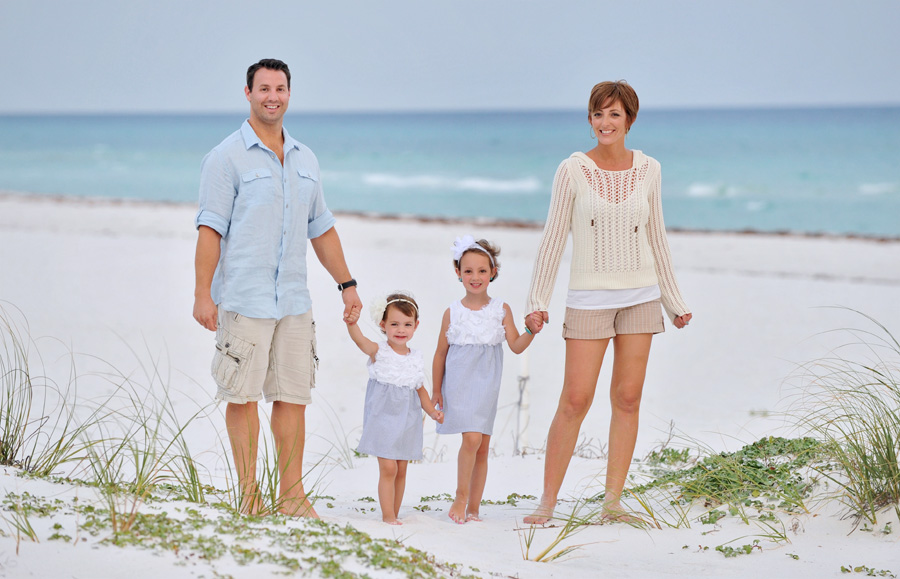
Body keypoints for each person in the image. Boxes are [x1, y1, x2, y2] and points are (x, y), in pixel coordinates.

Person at [192, 58, 361, 518]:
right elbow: (211, 229)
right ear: (247, 93)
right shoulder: (225, 157)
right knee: (242, 396)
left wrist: (346, 284)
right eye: (263, 88)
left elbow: (321, 228)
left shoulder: (306, 158)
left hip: (293, 300)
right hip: (245, 299)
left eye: (280, 88)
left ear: (289, 93)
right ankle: (249, 495)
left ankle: (291, 496)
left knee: (293, 397)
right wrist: (202, 293)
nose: (272, 96)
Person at [522, 81, 692, 525]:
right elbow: (554, 237)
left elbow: (657, 236)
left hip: (641, 296)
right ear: (590, 119)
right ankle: (547, 502)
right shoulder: (573, 169)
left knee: (628, 398)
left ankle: (612, 503)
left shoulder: (650, 169)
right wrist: (537, 300)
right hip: (588, 299)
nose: (605, 122)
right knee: (575, 400)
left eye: (614, 114)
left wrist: (674, 301)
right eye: (598, 114)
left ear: (630, 120)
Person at [432, 235, 543, 524]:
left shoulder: (501, 309)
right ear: (458, 273)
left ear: (493, 272)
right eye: (468, 270)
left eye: (482, 270)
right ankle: (460, 497)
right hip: (458, 383)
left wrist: (531, 331)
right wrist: (436, 390)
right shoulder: (452, 312)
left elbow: (516, 345)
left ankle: (474, 508)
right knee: (470, 438)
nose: (475, 277)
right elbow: (440, 355)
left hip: (486, 385)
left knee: (481, 446)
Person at [343, 292, 444, 525]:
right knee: (388, 468)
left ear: (416, 325)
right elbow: (360, 340)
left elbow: (420, 389)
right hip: (383, 418)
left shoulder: (415, 357)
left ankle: (395, 513)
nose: (401, 330)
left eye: (407, 324)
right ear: (383, 324)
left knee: (400, 468)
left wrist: (431, 411)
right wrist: (352, 324)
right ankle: (387, 516)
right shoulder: (379, 351)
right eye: (394, 324)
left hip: (408, 419)